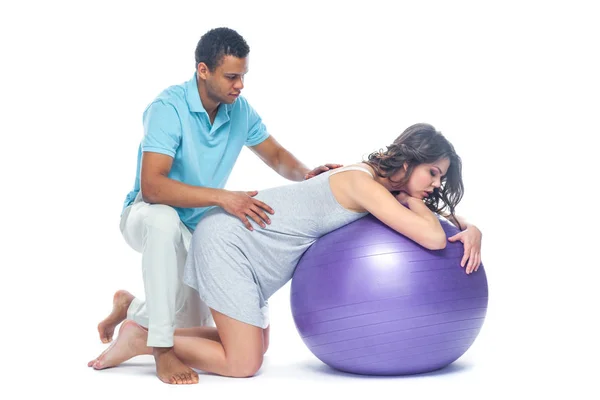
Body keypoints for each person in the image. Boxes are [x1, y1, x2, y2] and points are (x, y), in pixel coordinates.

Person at [87, 123, 484, 384]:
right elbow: (433, 239)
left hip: (247, 252)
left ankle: (138, 311)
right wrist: (434, 215)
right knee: (243, 363)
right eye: (432, 172)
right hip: (231, 244)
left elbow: (431, 222)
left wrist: (472, 227)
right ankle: (143, 338)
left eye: (441, 178)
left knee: (254, 345)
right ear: (411, 158)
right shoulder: (364, 186)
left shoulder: (372, 181)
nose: (435, 184)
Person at [87, 27, 342, 384]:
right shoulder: (168, 108)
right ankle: (160, 350)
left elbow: (276, 155)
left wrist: (308, 174)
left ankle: (130, 309)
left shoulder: (238, 110)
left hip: (195, 229)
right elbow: (154, 186)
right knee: (162, 221)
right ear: (203, 70)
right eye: (232, 76)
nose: (240, 85)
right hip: (146, 215)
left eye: (243, 76)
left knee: (189, 325)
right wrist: (223, 197)